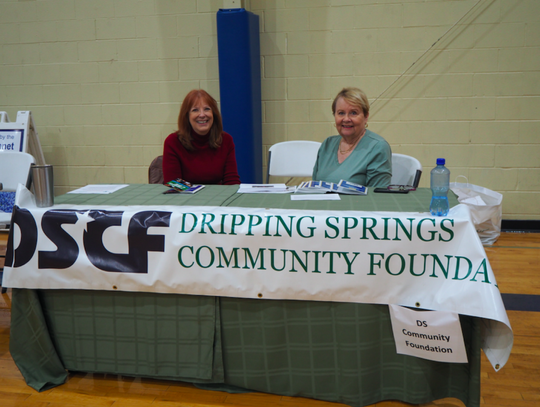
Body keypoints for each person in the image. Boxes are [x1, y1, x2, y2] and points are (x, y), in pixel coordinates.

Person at [312, 87, 392, 187]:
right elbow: (314, 186)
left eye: (353, 113)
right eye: (341, 113)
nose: (346, 119)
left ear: (366, 116)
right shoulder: (327, 144)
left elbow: (377, 196)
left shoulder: (378, 147)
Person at [162, 89, 241, 185]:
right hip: (185, 197)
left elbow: (231, 181)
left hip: (218, 197)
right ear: (187, 116)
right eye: (195, 110)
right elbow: (174, 183)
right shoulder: (173, 142)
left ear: (214, 114)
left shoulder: (226, 140)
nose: (202, 115)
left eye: (207, 109)